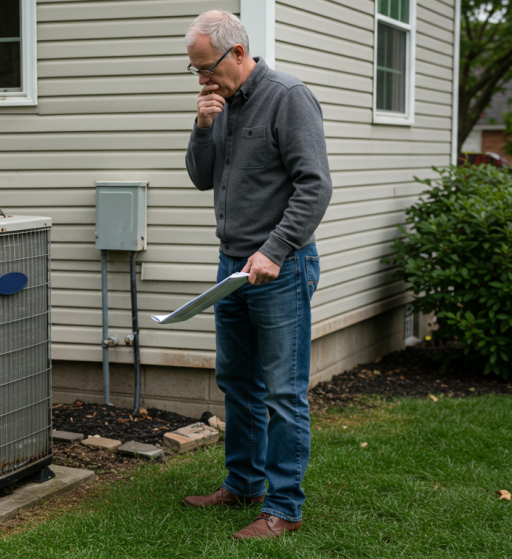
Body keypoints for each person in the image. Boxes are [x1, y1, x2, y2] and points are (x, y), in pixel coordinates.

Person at [180, 10, 332, 540]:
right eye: (195, 70)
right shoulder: (217, 106)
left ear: (238, 54)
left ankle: (284, 507)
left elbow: (315, 186)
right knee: (237, 383)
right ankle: (244, 484)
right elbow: (202, 177)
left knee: (283, 393)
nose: (202, 79)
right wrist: (202, 126)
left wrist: (274, 249)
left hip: (280, 268)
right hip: (232, 268)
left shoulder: (289, 97)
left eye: (207, 68)